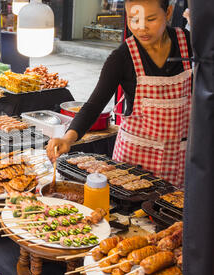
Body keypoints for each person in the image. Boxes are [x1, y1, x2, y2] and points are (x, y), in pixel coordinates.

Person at [47, 0, 192, 187]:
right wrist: (68, 138)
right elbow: (94, 106)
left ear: (169, 12)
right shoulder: (122, 57)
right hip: (134, 161)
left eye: (151, 19)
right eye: (133, 19)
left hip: (178, 158)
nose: (141, 28)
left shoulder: (187, 42)